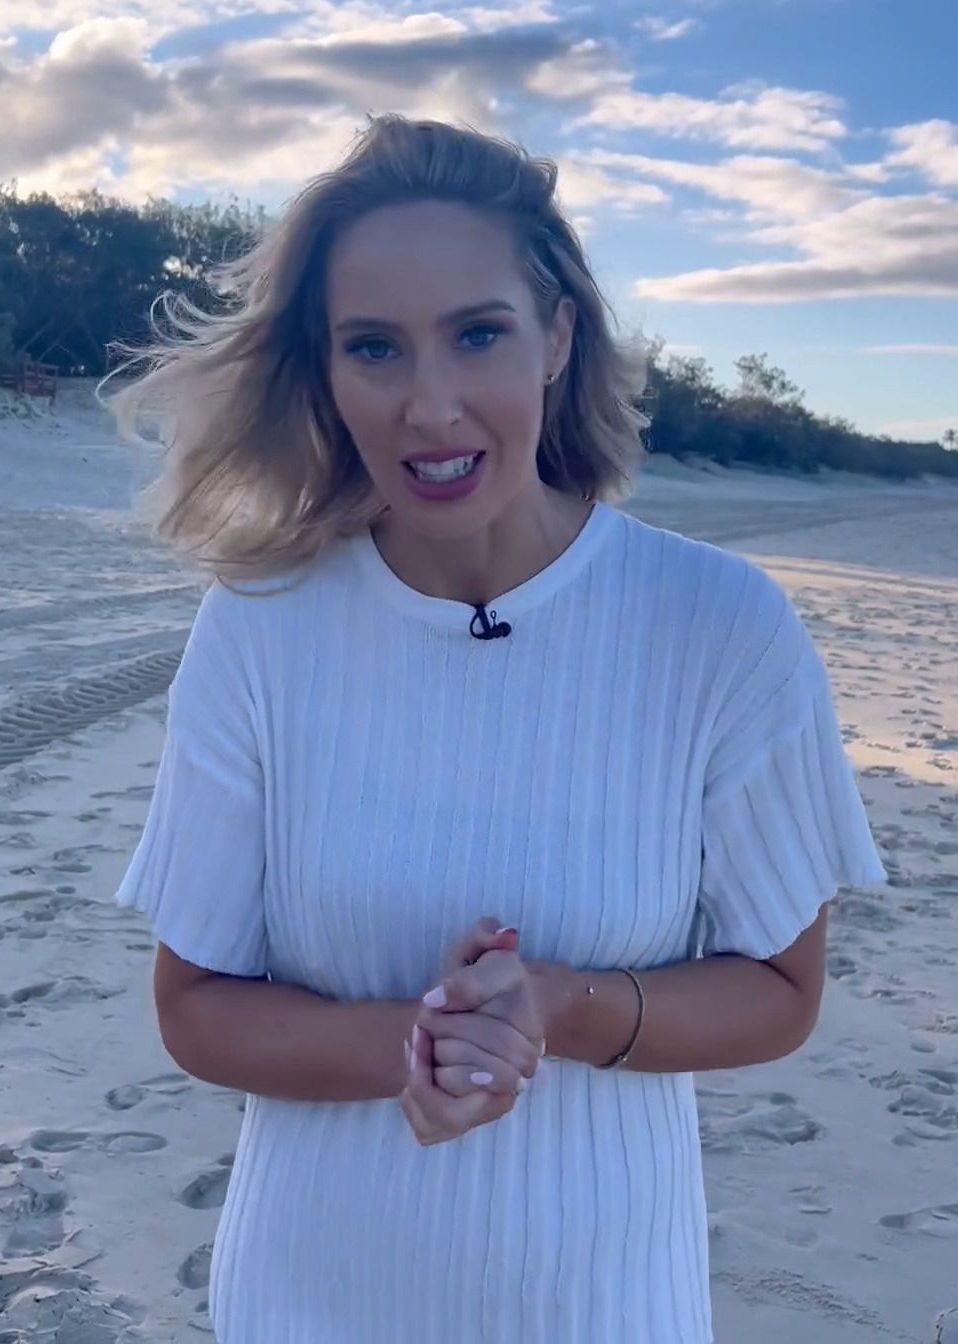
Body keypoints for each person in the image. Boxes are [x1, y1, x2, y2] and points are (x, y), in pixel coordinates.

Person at [108, 112, 886, 1343]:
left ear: (557, 337)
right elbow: (196, 1004)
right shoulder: (261, 626)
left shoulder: (720, 628)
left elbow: (780, 992)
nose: (431, 406)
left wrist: (561, 1011)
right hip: (311, 1300)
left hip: (607, 1305)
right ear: (325, 369)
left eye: (478, 334)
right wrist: (420, 1048)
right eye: (375, 347)